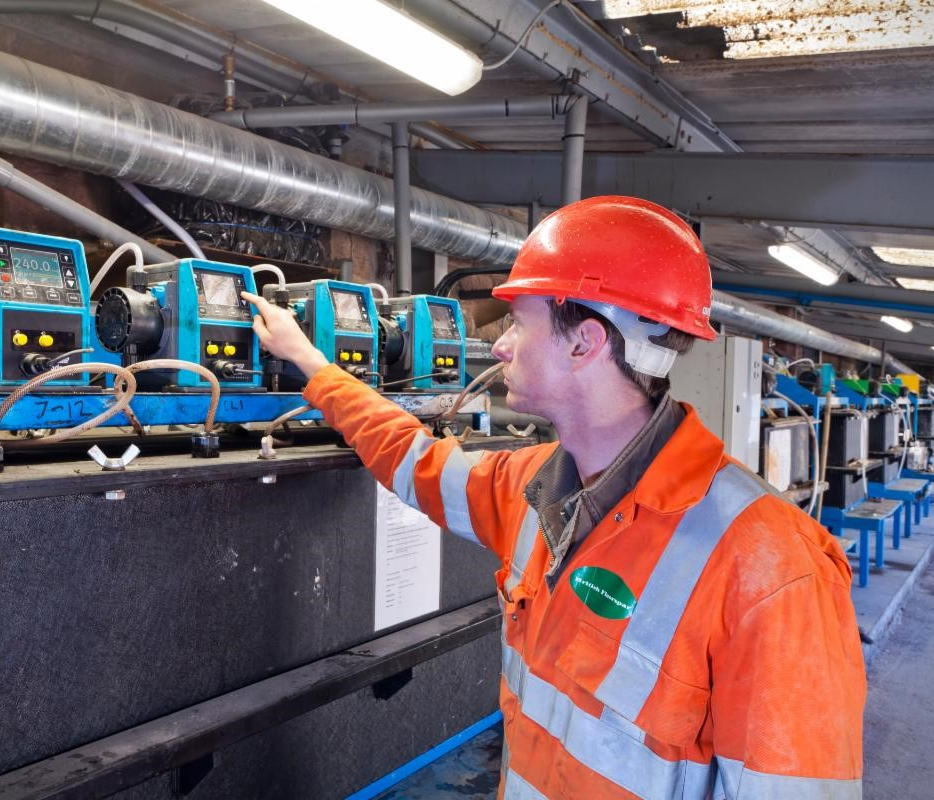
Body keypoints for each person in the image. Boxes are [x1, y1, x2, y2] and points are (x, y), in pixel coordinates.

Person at [242, 196, 865, 799]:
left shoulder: (775, 570)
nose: (503, 345)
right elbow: (414, 461)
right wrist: (310, 363)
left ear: (584, 343)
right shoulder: (535, 486)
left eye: (519, 321)